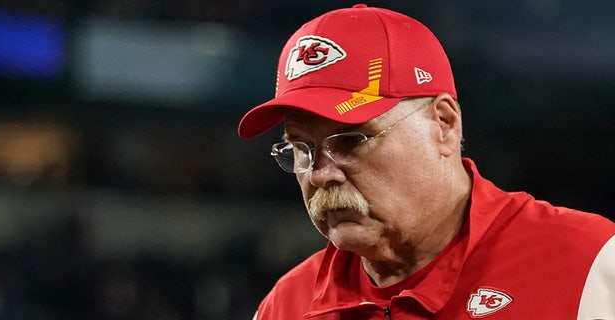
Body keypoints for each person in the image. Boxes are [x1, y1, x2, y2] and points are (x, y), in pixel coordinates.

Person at [237, 4, 615, 319]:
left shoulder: (588, 264)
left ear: (444, 124)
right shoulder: (286, 306)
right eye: (303, 149)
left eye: (352, 141)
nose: (320, 174)